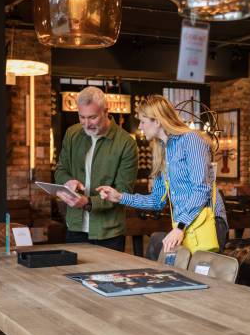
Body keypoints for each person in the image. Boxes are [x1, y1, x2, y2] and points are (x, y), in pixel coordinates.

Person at [97, 95, 228, 256]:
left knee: (205, 278)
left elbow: (202, 189)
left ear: (157, 121)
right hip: (186, 225)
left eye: (143, 121)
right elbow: (156, 200)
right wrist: (119, 197)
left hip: (208, 224)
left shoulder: (191, 140)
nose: (140, 127)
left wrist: (180, 227)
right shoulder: (161, 151)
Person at [55, 87, 137, 251]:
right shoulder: (72, 134)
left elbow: (123, 191)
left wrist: (89, 202)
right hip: (75, 227)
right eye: (82, 117)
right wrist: (68, 182)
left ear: (106, 111)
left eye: (92, 117)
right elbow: (60, 170)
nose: (86, 123)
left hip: (109, 232)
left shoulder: (126, 143)